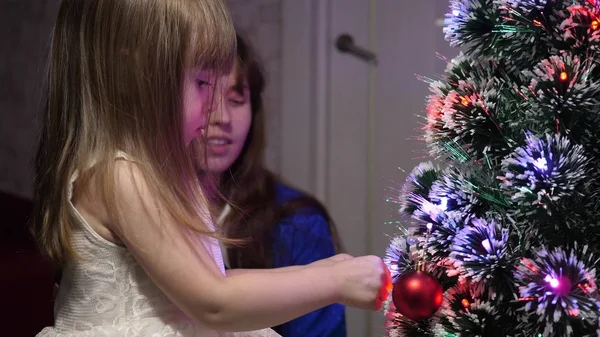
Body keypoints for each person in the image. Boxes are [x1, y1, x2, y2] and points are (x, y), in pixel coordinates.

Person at [30, 1, 391, 336]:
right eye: (202, 83)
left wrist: (319, 271)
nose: (216, 107)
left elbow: (209, 277)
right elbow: (213, 302)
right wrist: (335, 283)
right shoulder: (120, 176)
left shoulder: (156, 173)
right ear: (135, 74)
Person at [196, 33, 346, 337]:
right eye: (206, 98)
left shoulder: (296, 221)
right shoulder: (139, 202)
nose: (222, 117)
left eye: (237, 100)